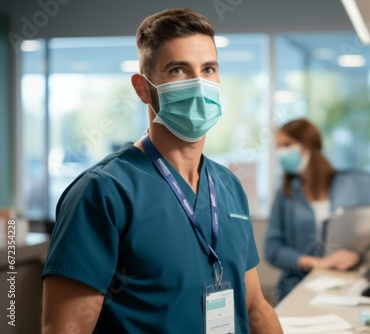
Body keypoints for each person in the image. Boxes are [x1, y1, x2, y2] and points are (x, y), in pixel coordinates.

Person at [41, 8, 282, 334]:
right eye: (178, 70)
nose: (199, 84)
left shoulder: (228, 187)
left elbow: (255, 305)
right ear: (143, 88)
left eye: (208, 69)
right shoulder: (103, 192)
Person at [264, 118, 370, 302]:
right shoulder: (285, 193)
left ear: (308, 145)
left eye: (287, 145)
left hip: (348, 280)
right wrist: (319, 263)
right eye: (278, 147)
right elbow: (272, 249)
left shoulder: (350, 185)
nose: (281, 152)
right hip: (298, 285)